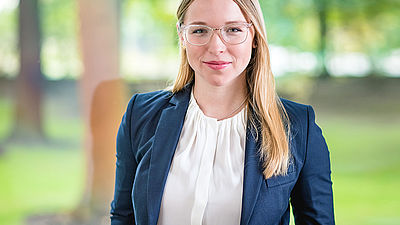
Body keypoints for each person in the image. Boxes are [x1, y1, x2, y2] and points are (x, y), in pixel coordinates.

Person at [110, 0, 335, 224]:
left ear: (254, 36)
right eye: (199, 30)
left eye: (233, 30)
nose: (216, 47)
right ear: (182, 36)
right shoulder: (140, 115)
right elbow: (123, 216)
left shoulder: (297, 127)